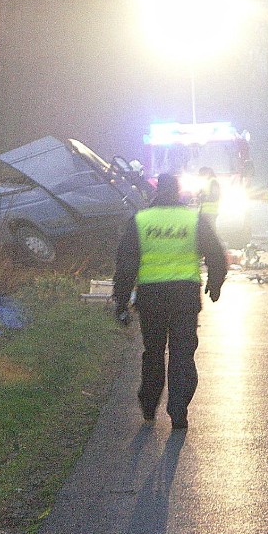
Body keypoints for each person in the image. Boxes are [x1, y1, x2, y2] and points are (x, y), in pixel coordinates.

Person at [113, 173, 228, 430]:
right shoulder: (193, 219)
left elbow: (125, 265)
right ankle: (178, 411)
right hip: (184, 297)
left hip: (151, 297)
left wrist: (121, 301)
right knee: (182, 353)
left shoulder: (140, 221)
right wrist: (215, 284)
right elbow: (216, 254)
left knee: (153, 352)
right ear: (177, 192)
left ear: (155, 192)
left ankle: (149, 406)